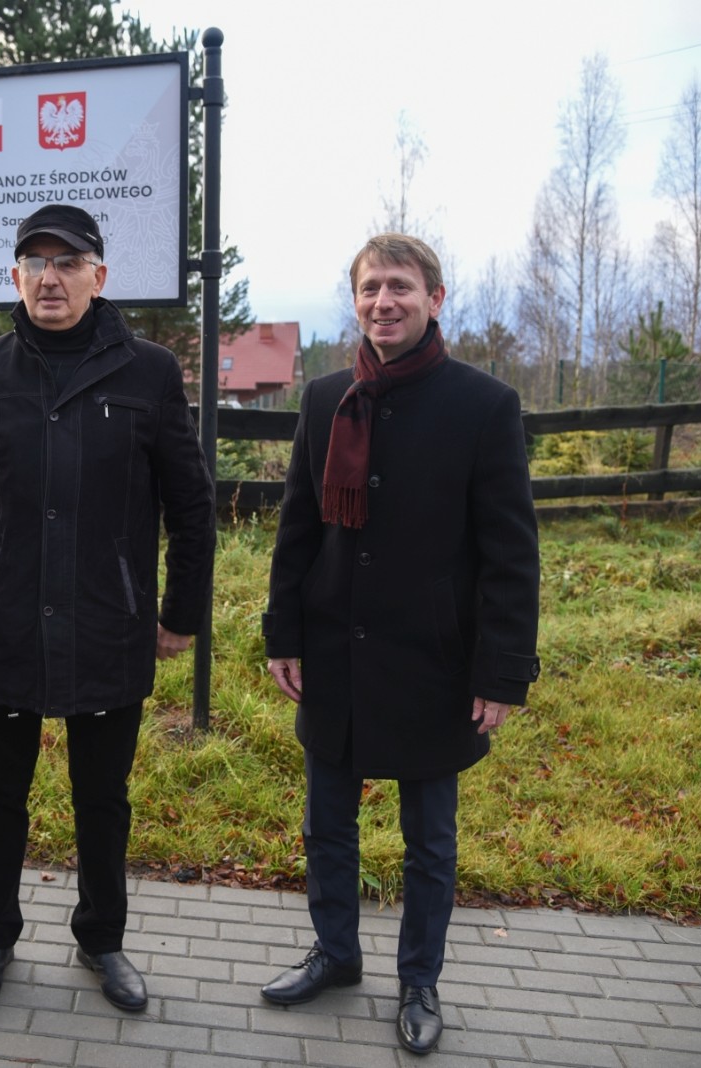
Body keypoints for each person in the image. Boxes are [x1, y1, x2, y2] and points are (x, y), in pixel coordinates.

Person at [0, 203, 216, 1013]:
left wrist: (180, 614)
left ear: (100, 275)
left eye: (67, 262)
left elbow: (192, 505)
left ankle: (102, 939)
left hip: (107, 620)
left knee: (103, 798)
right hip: (7, 619)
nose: (50, 278)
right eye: (35, 263)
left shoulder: (148, 372)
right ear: (16, 276)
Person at [259, 233, 540, 1054]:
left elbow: (511, 554)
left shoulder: (483, 405)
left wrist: (501, 672)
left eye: (401, 287)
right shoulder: (325, 399)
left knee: (429, 842)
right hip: (335, 654)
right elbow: (298, 528)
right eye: (370, 287)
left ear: (435, 299)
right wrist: (283, 632)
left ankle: (420, 979)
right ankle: (336, 954)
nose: (384, 301)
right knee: (327, 824)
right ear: (355, 301)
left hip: (434, 662)